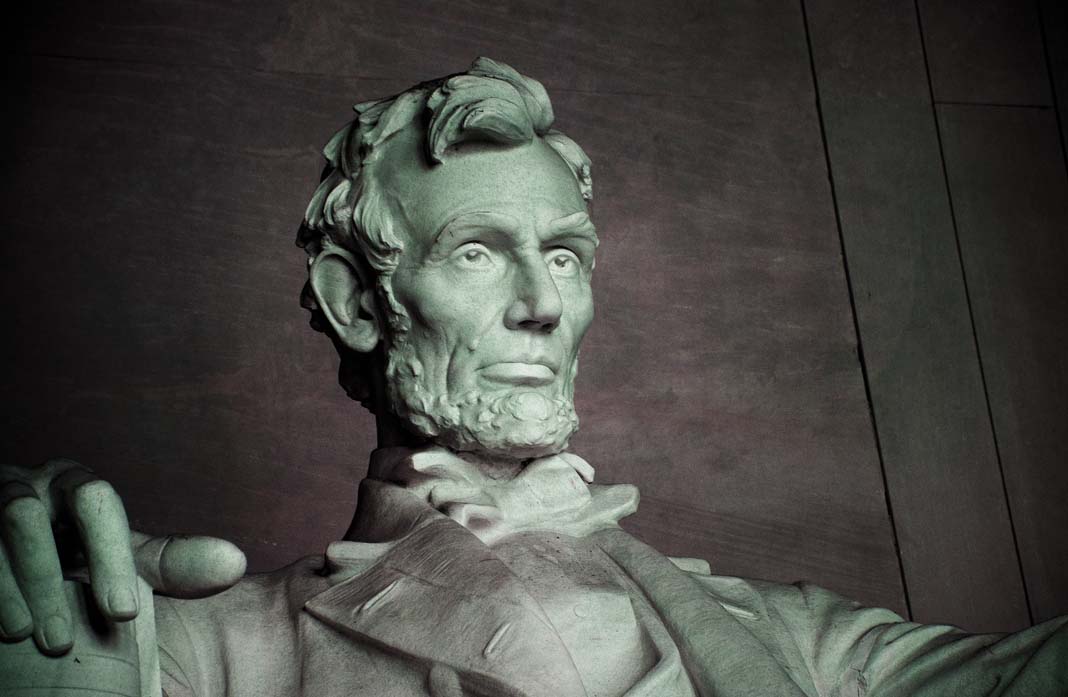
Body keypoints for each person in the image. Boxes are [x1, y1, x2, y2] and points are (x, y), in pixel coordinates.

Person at [1, 58, 1065, 697]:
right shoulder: (200, 648)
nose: (543, 304)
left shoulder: (791, 636)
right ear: (358, 302)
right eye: (477, 251)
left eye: (563, 255)